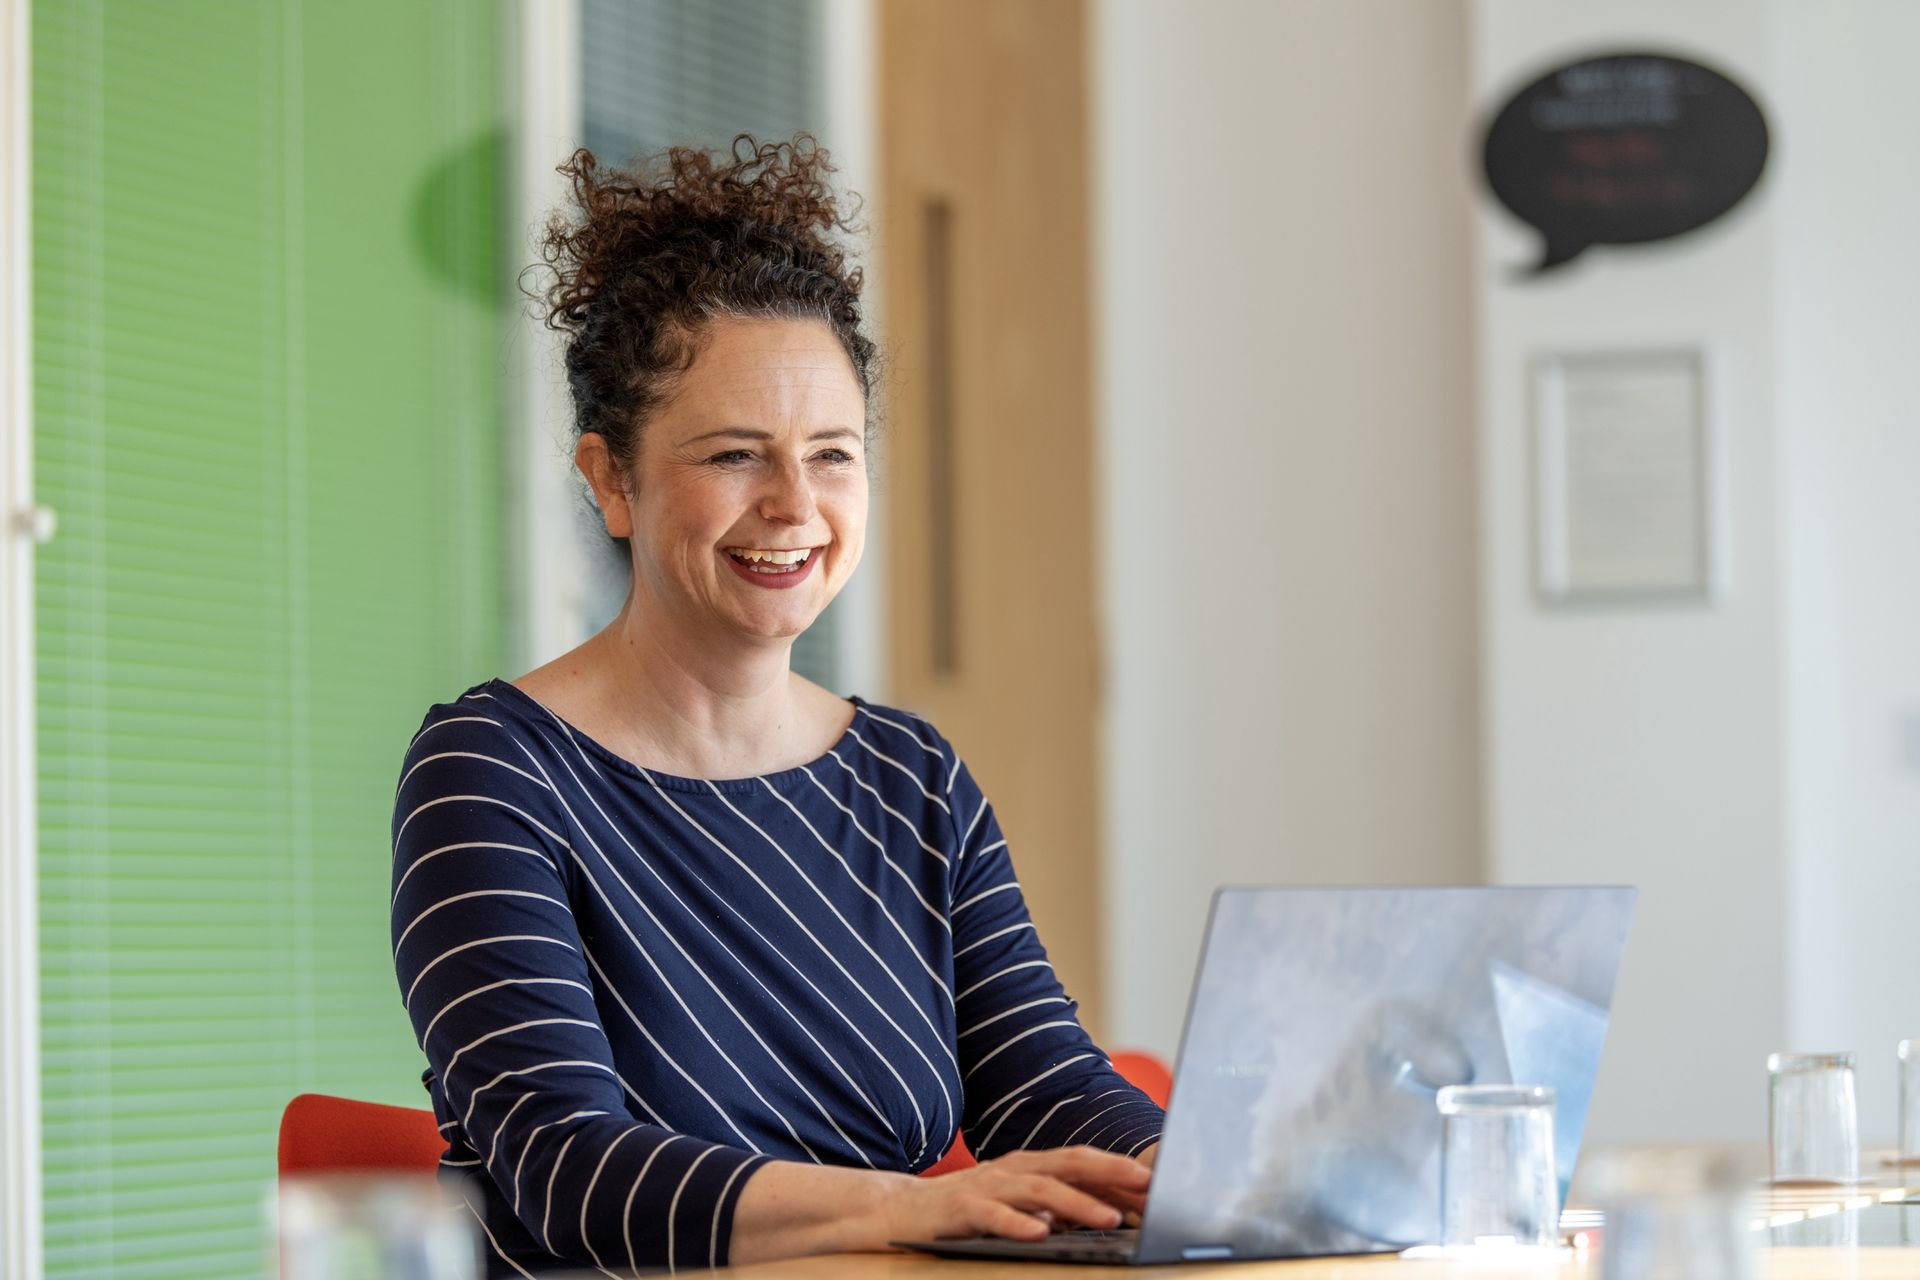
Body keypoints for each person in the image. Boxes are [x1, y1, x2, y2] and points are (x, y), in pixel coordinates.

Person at [389, 135, 1162, 1277]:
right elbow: (567, 1167)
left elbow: (1042, 1085)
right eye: (736, 454)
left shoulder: (913, 775)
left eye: (834, 454)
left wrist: (1230, 1171)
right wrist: (913, 1206)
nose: (796, 506)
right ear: (610, 478)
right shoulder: (492, 769)